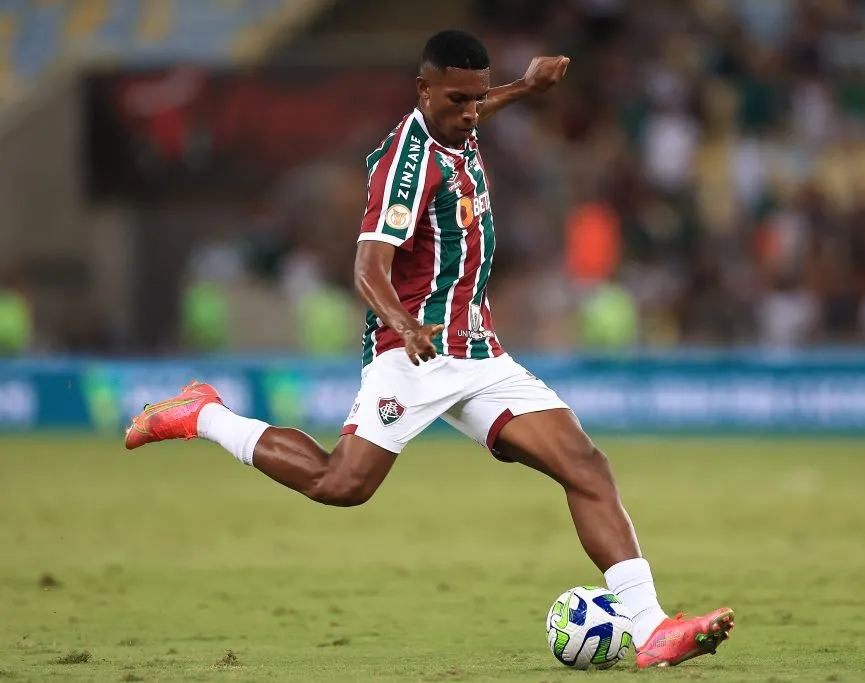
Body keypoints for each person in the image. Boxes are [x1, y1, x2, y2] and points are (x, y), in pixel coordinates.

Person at [125, 29, 734, 668]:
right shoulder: (403, 167)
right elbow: (366, 268)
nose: (472, 111)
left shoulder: (459, 124)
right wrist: (406, 326)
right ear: (423, 90)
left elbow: (474, 107)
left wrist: (524, 88)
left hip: (477, 350)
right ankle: (204, 414)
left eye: (478, 98)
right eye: (460, 99)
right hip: (411, 353)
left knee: (585, 465)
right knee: (342, 484)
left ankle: (650, 629)